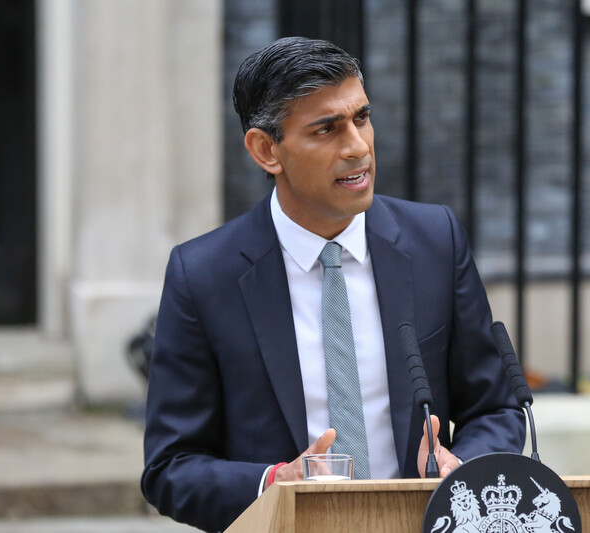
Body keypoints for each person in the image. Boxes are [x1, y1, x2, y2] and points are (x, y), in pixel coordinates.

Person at [142, 36, 525, 532]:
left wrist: (461, 467)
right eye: (327, 129)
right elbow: (170, 468)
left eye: (361, 118)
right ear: (266, 150)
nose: (358, 146)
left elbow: (495, 408)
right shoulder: (203, 275)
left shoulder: (436, 242)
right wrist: (276, 482)